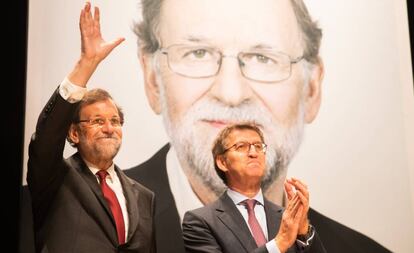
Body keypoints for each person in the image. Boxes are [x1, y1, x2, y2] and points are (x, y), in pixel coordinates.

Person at [124, 0, 392, 252]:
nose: (232, 93)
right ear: (152, 78)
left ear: (312, 88)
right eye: (198, 53)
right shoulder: (101, 214)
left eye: (263, 58)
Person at [26, 3, 155, 253]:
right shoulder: (54, 178)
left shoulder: (145, 196)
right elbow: (46, 137)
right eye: (97, 121)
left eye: (115, 121)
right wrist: (87, 63)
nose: (109, 128)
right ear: (74, 133)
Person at [182, 123, 326, 253]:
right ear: (222, 162)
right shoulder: (200, 221)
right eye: (241, 146)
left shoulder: (287, 218)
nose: (253, 153)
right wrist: (279, 243)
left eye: (258, 146)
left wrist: (303, 231)